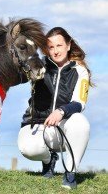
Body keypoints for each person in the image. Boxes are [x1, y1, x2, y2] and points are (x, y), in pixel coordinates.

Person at [18, 27, 92, 189]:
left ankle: (70, 173)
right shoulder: (38, 64)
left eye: (59, 45)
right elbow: (19, 71)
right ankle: (48, 160)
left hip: (64, 127)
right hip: (38, 124)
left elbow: (80, 102)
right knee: (28, 148)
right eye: (51, 47)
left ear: (68, 45)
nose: (56, 51)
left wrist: (61, 111)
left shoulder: (80, 71)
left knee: (80, 122)